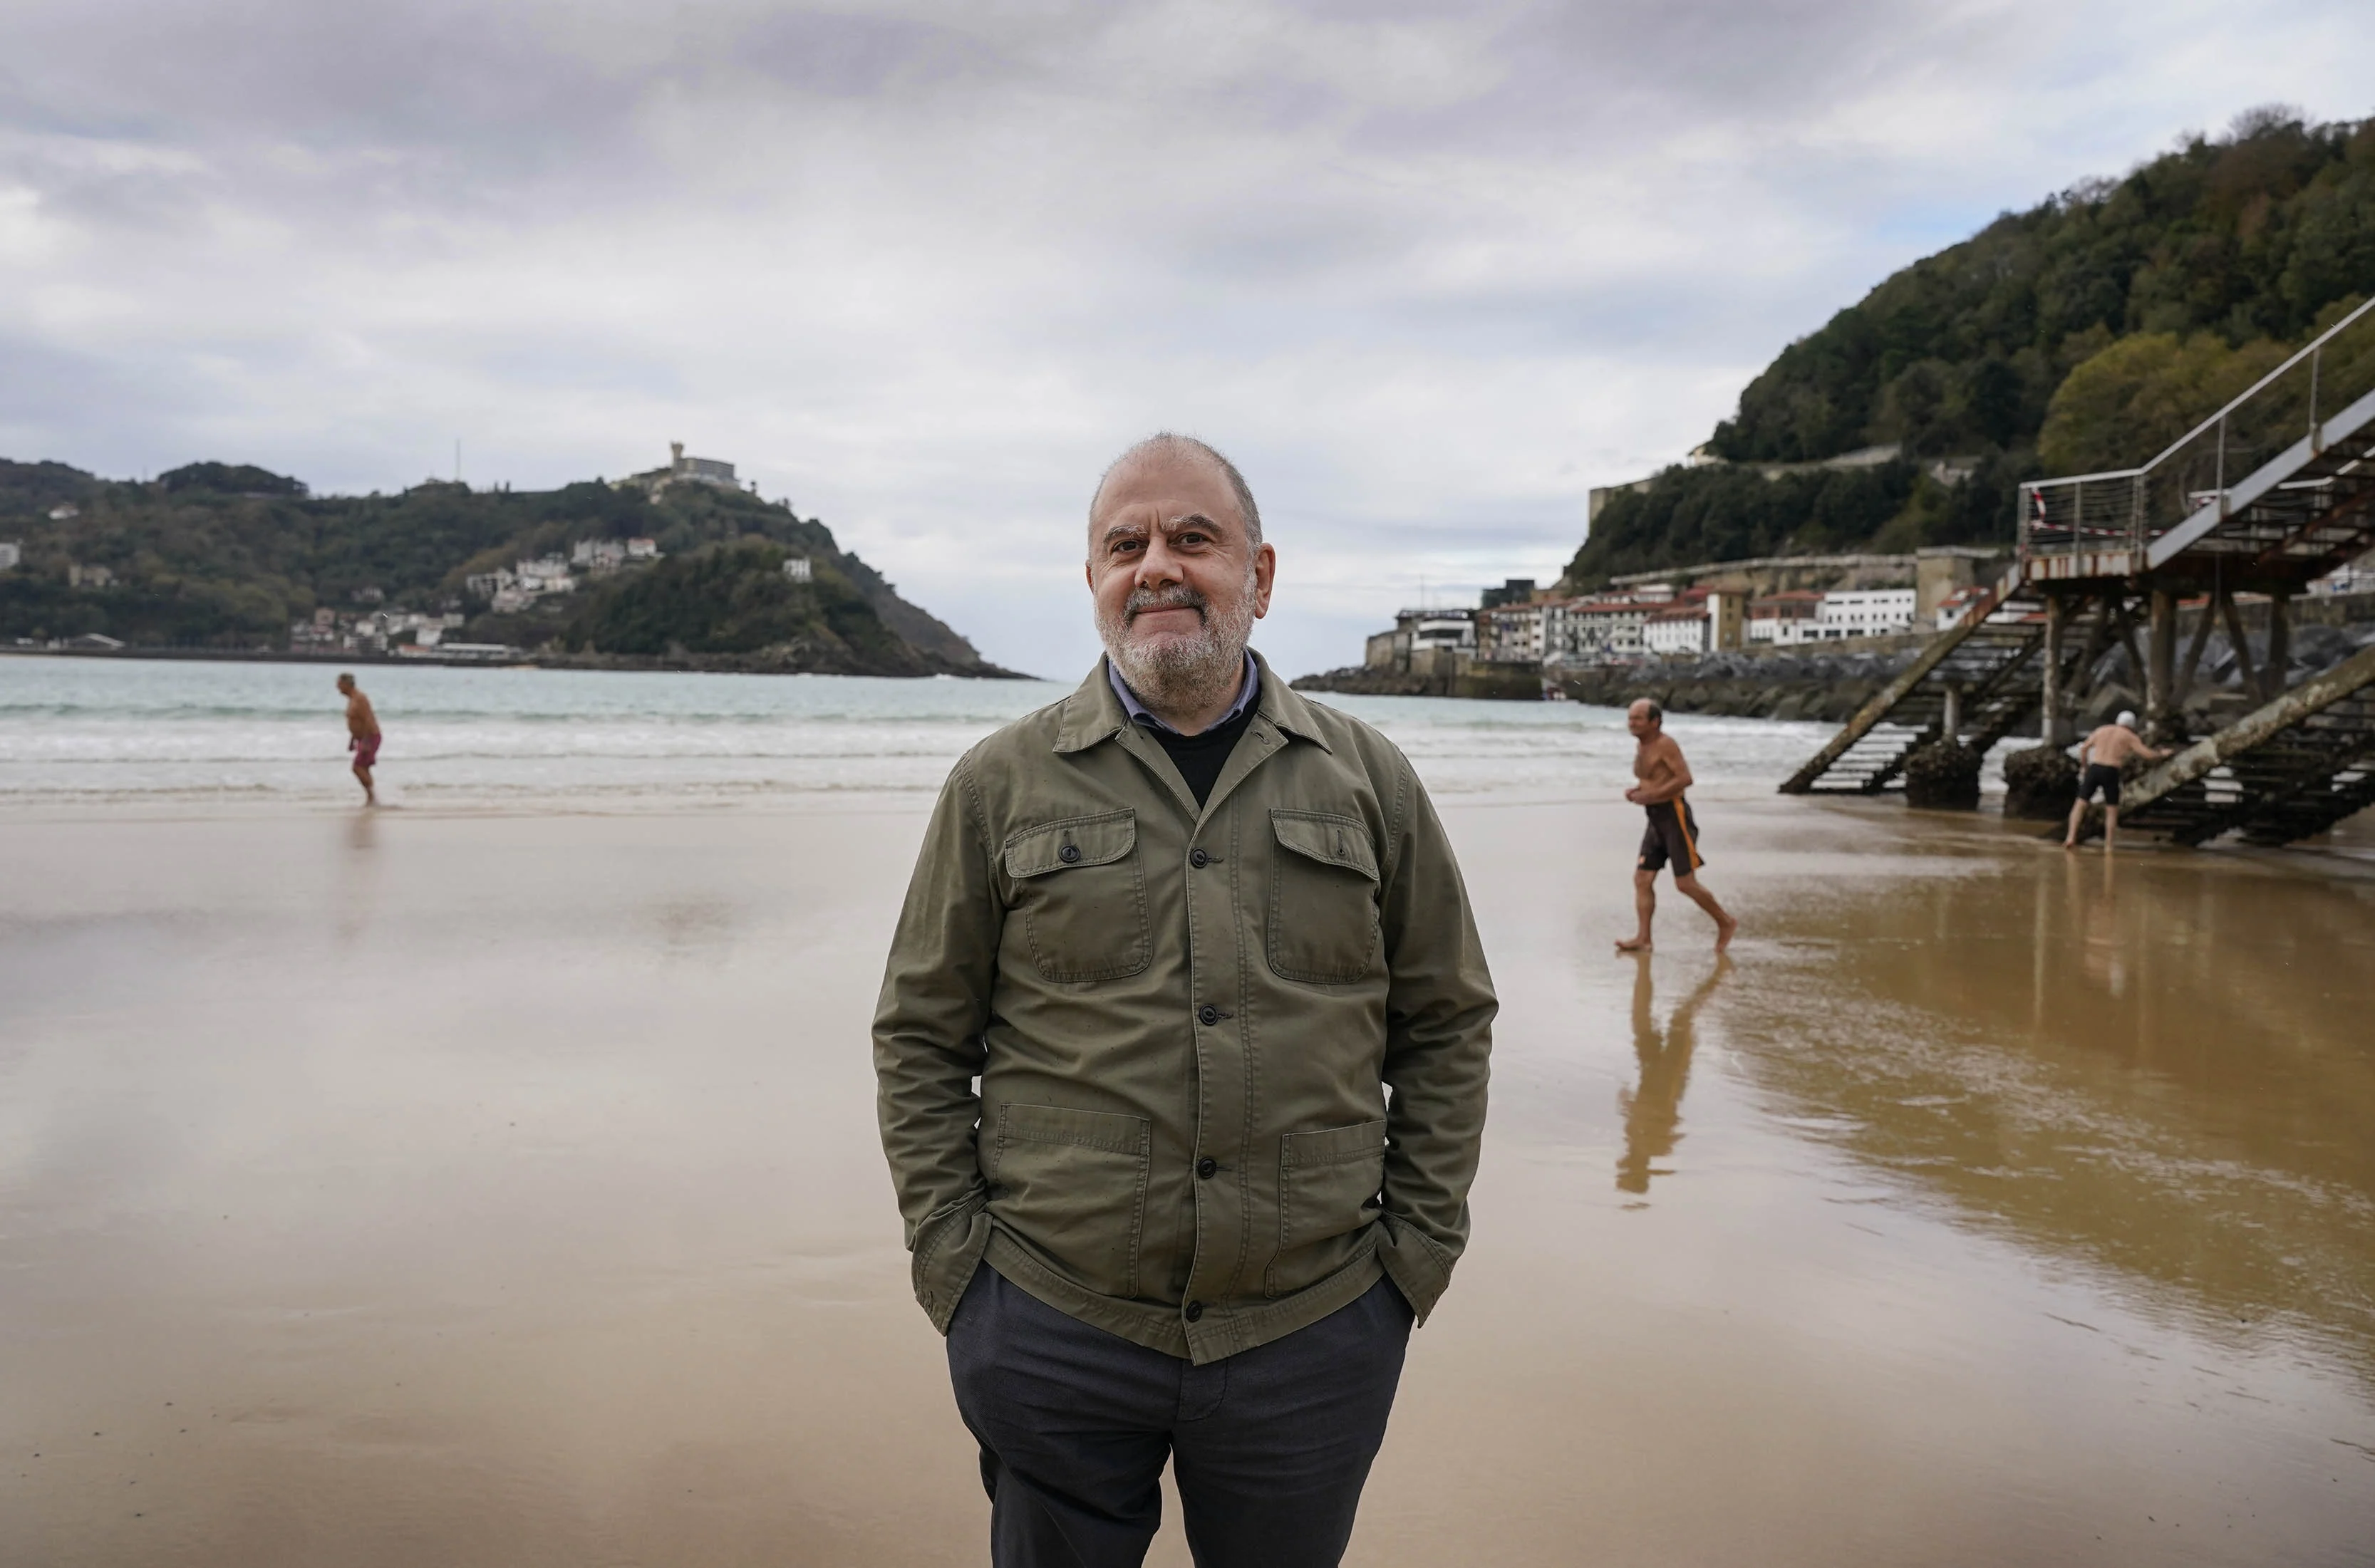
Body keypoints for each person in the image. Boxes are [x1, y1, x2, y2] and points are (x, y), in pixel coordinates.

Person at [873, 433, 1497, 1568]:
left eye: (1192, 538)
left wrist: (1414, 1255)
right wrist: (954, 1264)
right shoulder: (998, 784)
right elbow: (919, 1034)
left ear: (1260, 576)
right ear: (1095, 584)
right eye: (1125, 545)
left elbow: (1448, 1020)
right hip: (1052, 1319)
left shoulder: (1368, 779)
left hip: (1312, 1328)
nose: (1156, 565)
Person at [1616, 698, 1737, 954]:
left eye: (1638, 719)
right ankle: (1644, 939)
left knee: (1685, 884)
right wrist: (1639, 791)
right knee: (1642, 878)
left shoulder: (1665, 744)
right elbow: (1654, 778)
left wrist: (1651, 795)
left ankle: (1726, 922)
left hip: (1675, 816)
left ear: (1654, 722)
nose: (1632, 723)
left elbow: (1685, 778)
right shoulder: (1642, 746)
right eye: (1630, 718)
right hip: (1655, 818)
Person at [2062, 709, 2172, 851]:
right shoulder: (2129, 736)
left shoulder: (2102, 730)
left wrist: (2085, 767)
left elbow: (2084, 749)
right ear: (2132, 725)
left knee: (2080, 804)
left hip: (2095, 768)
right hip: (2111, 771)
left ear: (2117, 721)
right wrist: (2162, 754)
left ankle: (2070, 837)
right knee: (2111, 810)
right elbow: (2147, 754)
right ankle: (2108, 845)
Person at [337, 673, 381, 806]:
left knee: (357, 767)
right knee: (364, 768)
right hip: (362, 738)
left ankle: (374, 796)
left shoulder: (360, 698)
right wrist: (353, 740)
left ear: (346, 684)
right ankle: (372, 798)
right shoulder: (352, 699)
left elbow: (368, 719)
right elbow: (356, 721)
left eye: (339, 685)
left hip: (371, 737)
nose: (338, 688)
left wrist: (366, 741)